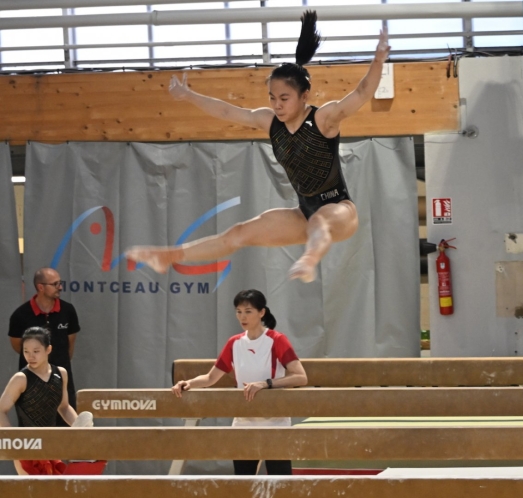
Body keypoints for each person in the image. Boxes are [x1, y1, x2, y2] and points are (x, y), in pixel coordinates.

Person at [126, 11, 391, 283]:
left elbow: (359, 94)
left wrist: (379, 60)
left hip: (340, 210)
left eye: (285, 98)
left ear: (304, 96)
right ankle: (169, 256)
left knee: (319, 222)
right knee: (238, 233)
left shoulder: (323, 119)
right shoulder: (270, 122)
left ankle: (308, 262)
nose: (277, 104)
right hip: (303, 213)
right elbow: (228, 112)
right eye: (273, 97)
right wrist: (189, 95)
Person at [172, 289, 307, 475]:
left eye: (248, 311)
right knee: (244, 485)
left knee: (281, 485)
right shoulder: (234, 343)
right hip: (243, 421)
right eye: (238, 311)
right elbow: (211, 378)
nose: (242, 316)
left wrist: (265, 383)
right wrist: (187, 383)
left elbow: (301, 377)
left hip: (275, 422)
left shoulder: (277, 340)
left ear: (262, 312)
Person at [0, 327, 93, 476]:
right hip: (27, 446)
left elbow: (63, 407)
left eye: (36, 351)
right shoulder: (21, 379)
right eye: (26, 351)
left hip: (50, 445)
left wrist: (81, 427)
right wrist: (12, 438)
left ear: (48, 349)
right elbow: (1, 410)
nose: (30, 356)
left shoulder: (61, 373)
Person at [8, 267, 81, 424]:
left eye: (60, 283)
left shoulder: (68, 310)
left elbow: (70, 343)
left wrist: (56, 366)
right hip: (32, 380)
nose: (60, 287)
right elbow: (17, 346)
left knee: (66, 429)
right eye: (55, 284)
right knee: (33, 432)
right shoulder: (21, 314)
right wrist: (36, 361)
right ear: (41, 287)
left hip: (60, 375)